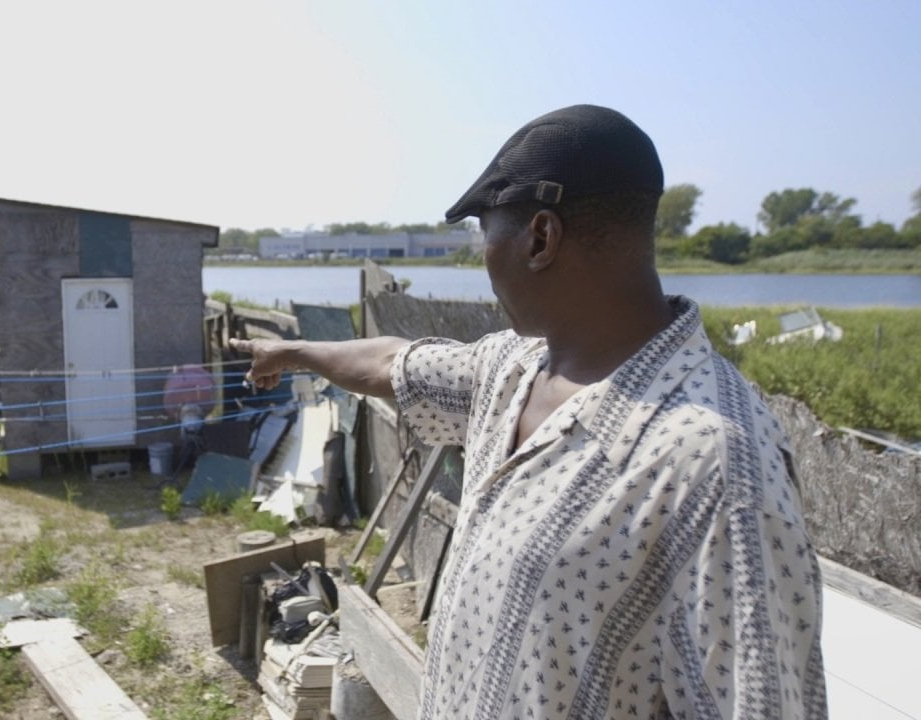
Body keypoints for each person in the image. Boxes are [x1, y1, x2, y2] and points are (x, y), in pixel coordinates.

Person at [230, 104, 826, 719]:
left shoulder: (713, 464)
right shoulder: (511, 372)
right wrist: (296, 351)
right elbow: (394, 363)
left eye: (483, 232)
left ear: (540, 238)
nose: (483, 257)